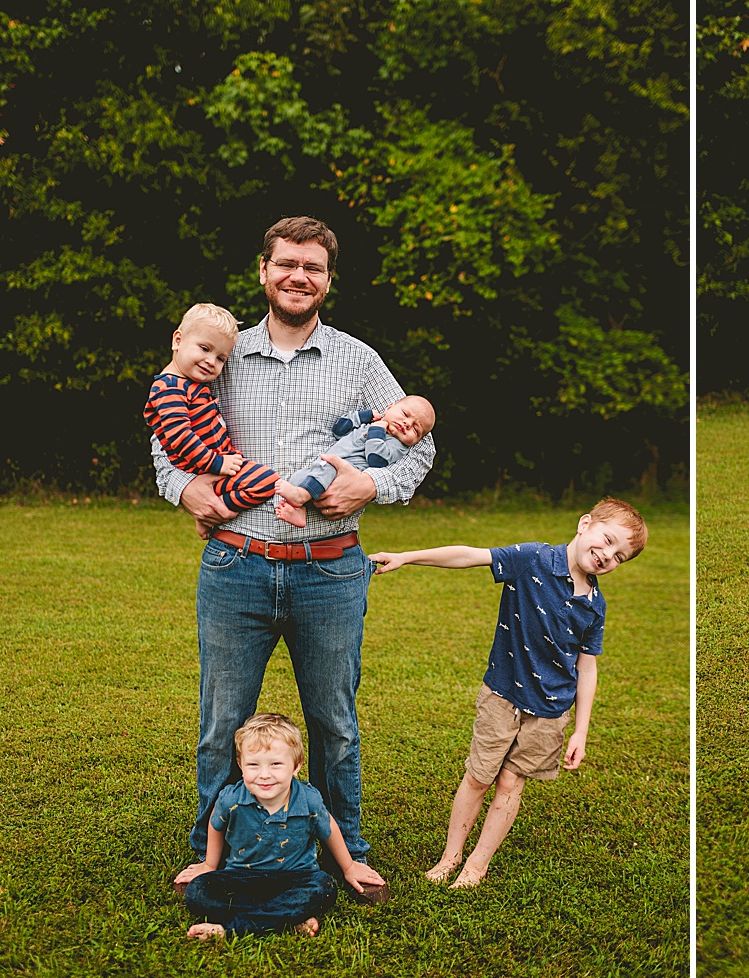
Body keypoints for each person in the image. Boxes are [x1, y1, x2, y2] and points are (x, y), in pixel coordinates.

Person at [152, 216, 434, 897]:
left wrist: (373, 482)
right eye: (287, 263)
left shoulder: (359, 360)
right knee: (222, 722)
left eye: (312, 267)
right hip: (235, 565)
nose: (298, 276)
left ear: (328, 279)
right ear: (264, 269)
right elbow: (169, 437)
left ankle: (348, 851)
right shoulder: (220, 350)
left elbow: (416, 441)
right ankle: (210, 851)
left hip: (330, 571)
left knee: (334, 722)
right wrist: (187, 487)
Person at [367, 498, 647, 888]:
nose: (607, 556)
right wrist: (408, 556)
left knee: (511, 783)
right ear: (585, 524)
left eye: (620, 556)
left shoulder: (595, 606)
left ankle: (477, 866)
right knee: (479, 777)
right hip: (503, 695)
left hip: (550, 711)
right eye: (607, 540)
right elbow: (469, 555)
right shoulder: (532, 559)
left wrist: (580, 731)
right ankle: (451, 857)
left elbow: (587, 667)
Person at [175, 713, 382, 940]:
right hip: (241, 877)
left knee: (324, 887)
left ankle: (231, 928)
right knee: (198, 892)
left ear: (296, 766)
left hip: (296, 877)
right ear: (240, 765)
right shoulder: (231, 799)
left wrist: (349, 866)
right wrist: (209, 864)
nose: (264, 775)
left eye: (275, 764)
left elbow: (329, 828)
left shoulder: (308, 800)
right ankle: (287, 918)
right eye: (253, 765)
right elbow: (216, 825)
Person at [144, 303, 294, 513]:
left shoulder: (192, 385)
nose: (210, 361)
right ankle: (218, 513)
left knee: (266, 481)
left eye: (221, 358)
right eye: (204, 349)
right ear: (177, 340)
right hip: (207, 469)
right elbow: (179, 437)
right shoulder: (169, 388)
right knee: (267, 481)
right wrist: (216, 463)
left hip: (218, 463)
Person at [274, 395, 437, 528]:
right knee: (298, 478)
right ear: (390, 407)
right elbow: (339, 430)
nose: (407, 424)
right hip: (324, 466)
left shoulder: (397, 445)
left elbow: (376, 459)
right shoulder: (370, 424)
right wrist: (363, 416)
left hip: (340, 475)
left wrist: (378, 428)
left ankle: (301, 496)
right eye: (405, 415)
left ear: (415, 441)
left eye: (416, 429)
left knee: (325, 469)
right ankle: (300, 510)